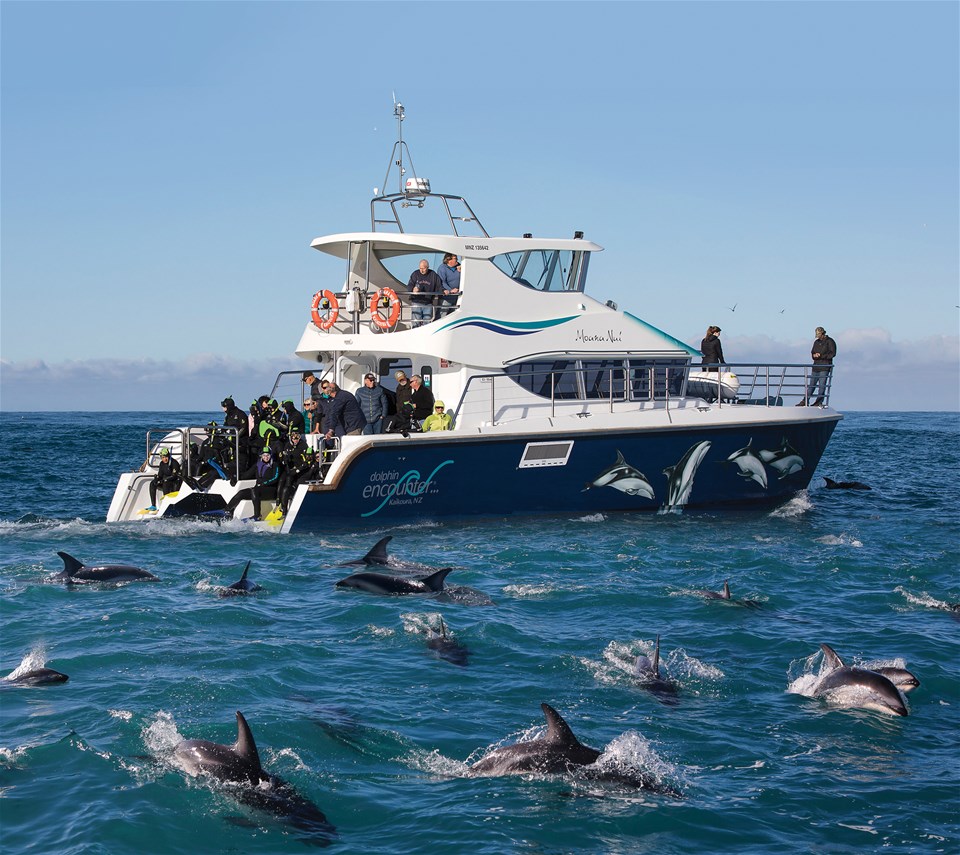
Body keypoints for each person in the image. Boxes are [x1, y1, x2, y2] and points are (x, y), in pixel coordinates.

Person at [225, 448, 282, 520]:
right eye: (264, 455)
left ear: (270, 455)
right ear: (261, 456)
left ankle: (257, 515)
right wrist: (235, 477)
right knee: (241, 493)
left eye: (268, 455)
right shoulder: (258, 465)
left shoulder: (275, 465)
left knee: (254, 490)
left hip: (270, 490)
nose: (266, 457)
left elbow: (275, 478)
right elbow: (246, 475)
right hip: (258, 490)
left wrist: (263, 483)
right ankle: (227, 510)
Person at [276, 428, 312, 515]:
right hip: (290, 470)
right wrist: (286, 459)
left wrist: (297, 470)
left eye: (297, 437)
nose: (296, 440)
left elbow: (307, 462)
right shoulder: (288, 445)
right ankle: (281, 505)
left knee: (295, 484)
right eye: (294, 438)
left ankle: (293, 505)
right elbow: (284, 460)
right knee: (283, 482)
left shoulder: (303, 445)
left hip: (301, 471)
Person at [798, 326, 837, 406]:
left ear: (823, 333)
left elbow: (832, 353)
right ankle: (805, 401)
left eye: (819, 334)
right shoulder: (816, 342)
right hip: (816, 366)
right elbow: (812, 352)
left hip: (825, 366)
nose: (818, 336)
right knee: (811, 385)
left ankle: (818, 402)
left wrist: (821, 355)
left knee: (822, 386)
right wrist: (814, 355)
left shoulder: (830, 341)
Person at [407, 258, 443, 326]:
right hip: (416, 302)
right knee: (415, 323)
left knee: (427, 324)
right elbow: (409, 285)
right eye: (420, 268)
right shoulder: (415, 274)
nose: (422, 270)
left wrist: (444, 291)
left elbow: (439, 286)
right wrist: (413, 289)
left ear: (427, 267)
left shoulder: (433, 274)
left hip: (428, 303)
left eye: (423, 268)